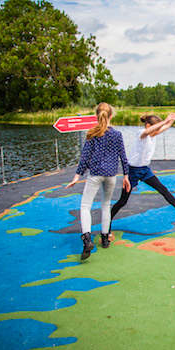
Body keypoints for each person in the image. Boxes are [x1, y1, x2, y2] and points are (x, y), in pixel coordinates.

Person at [110, 101, 175, 229]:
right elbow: (151, 130)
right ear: (148, 125)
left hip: (145, 170)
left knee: (163, 189)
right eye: (155, 127)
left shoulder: (153, 135)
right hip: (132, 171)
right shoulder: (141, 133)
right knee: (122, 201)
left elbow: (166, 126)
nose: (157, 130)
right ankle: (107, 224)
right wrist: (164, 121)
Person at [66, 102, 131, 260]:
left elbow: (85, 157)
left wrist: (77, 176)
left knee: (85, 206)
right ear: (111, 116)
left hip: (95, 174)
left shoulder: (92, 133)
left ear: (96, 116)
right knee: (106, 205)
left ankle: (87, 239)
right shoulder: (117, 135)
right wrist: (126, 176)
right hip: (111, 175)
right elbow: (123, 157)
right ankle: (104, 238)